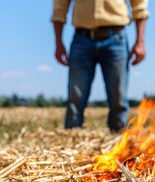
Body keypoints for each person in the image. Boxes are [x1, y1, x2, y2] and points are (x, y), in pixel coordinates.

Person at [52, 0, 149, 132]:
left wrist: (140, 42)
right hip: (81, 38)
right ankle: (71, 139)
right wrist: (58, 43)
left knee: (118, 98)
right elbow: (60, 5)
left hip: (116, 38)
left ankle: (118, 141)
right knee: (76, 98)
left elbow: (139, 4)